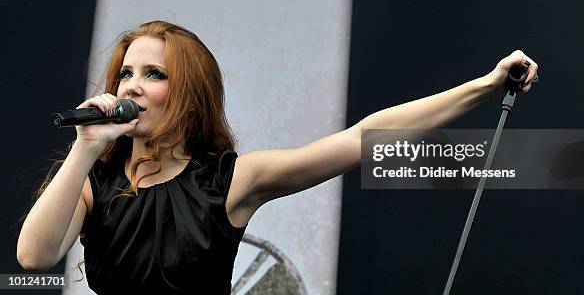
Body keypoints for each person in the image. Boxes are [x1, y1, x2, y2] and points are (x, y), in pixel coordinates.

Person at [16, 21, 539, 294]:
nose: (133, 85)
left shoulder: (230, 181)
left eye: (154, 74)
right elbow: (33, 258)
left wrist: (484, 88)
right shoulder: (94, 182)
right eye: (126, 73)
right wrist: (86, 149)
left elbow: (363, 137)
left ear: (188, 93)